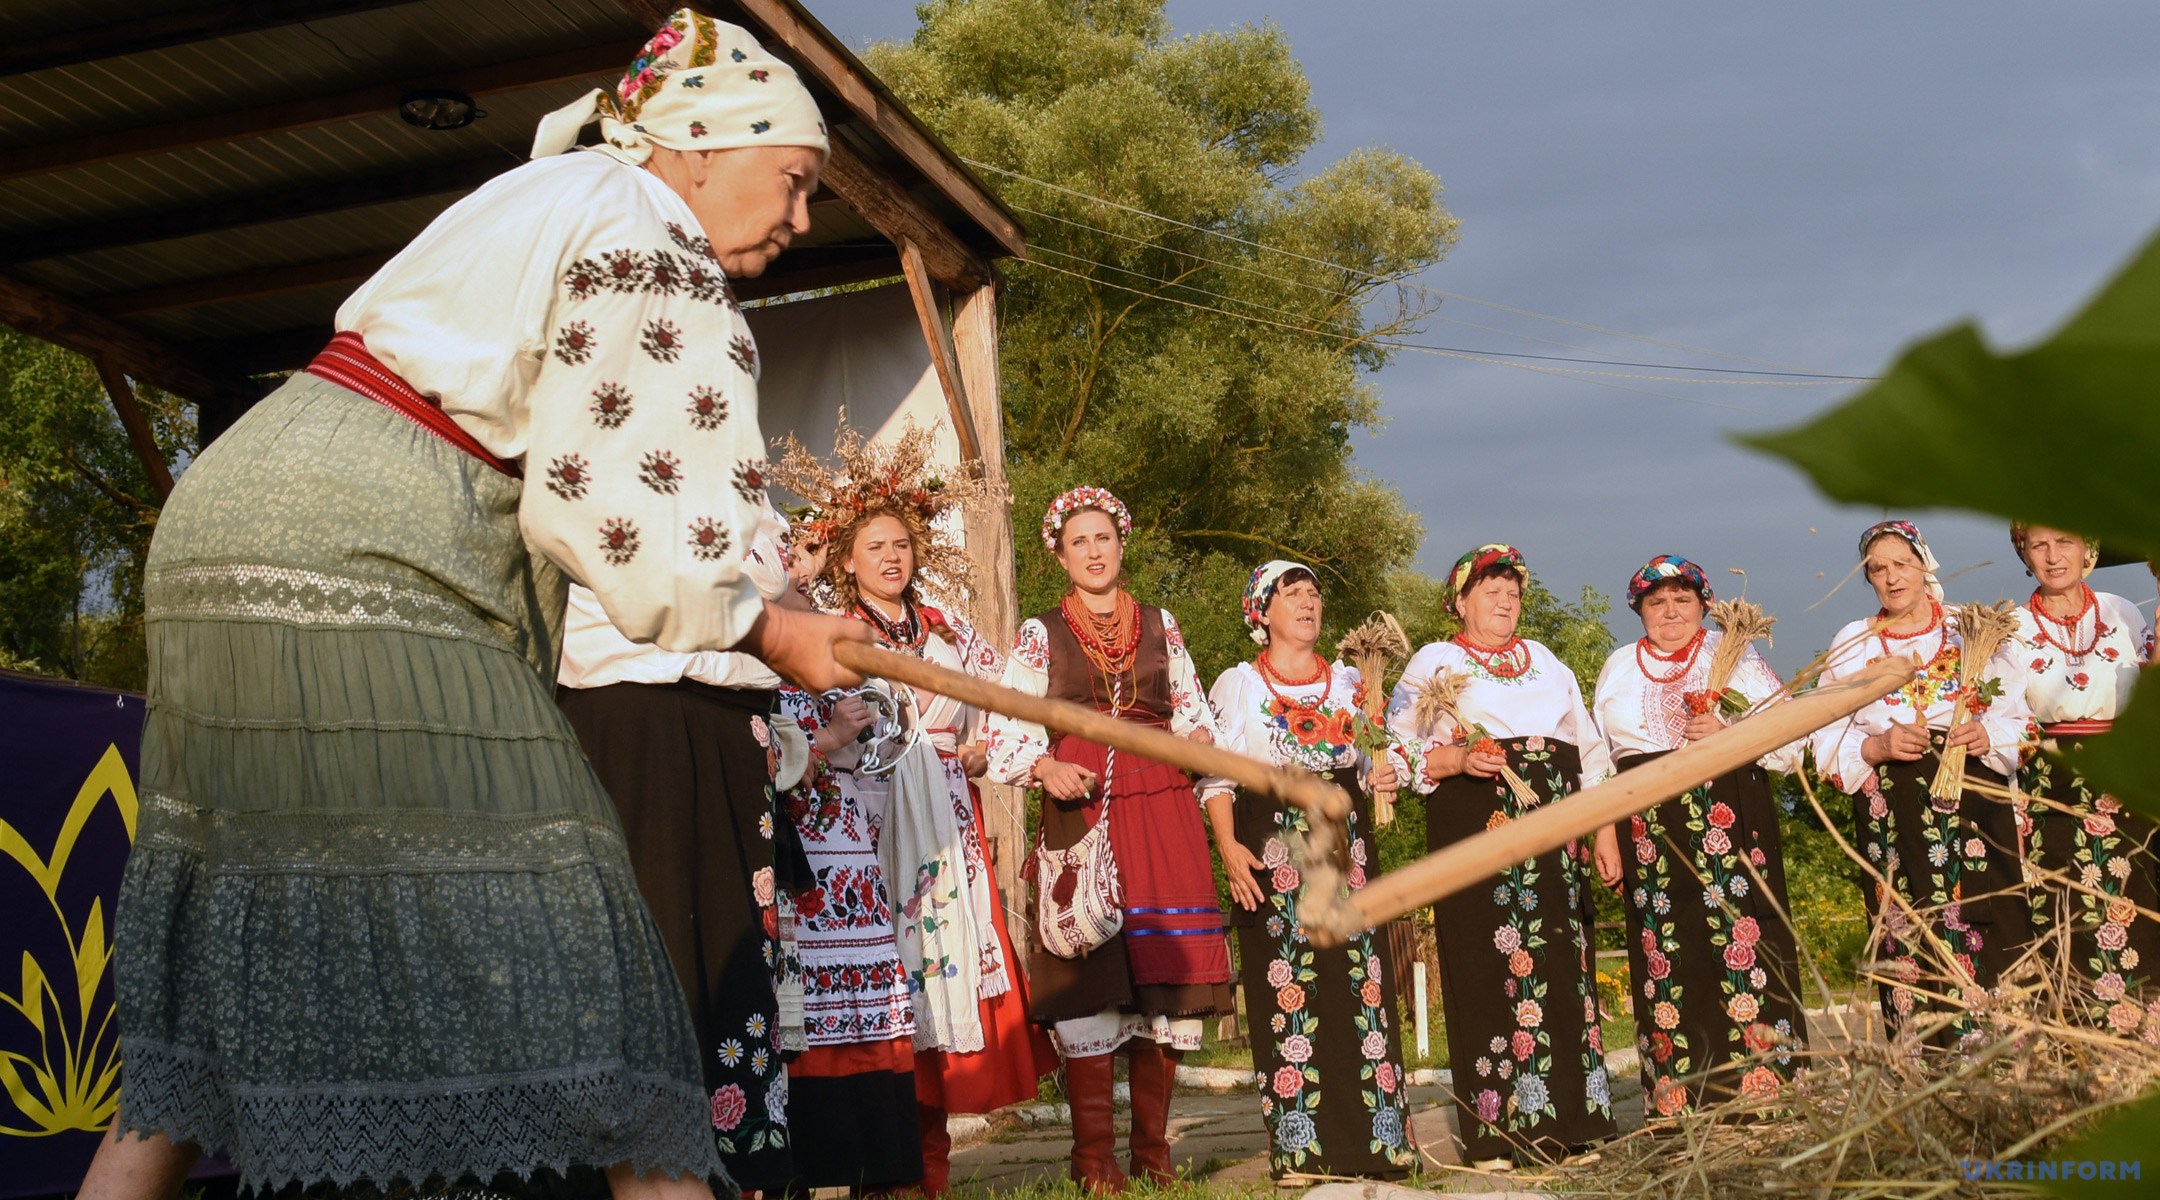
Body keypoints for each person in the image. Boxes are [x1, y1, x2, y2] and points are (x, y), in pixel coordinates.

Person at [85, 11, 871, 1200]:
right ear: (702, 144)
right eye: (798, 182)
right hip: (367, 554)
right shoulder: (649, 233)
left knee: (246, 925)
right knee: (580, 943)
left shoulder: (549, 191)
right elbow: (617, 513)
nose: (802, 218)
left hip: (231, 516)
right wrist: (771, 624)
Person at [766, 424, 1056, 1196]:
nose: (893, 558)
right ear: (848, 561)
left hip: (944, 830)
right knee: (889, 989)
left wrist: (982, 752)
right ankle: (890, 1165)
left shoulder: (951, 630)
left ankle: (926, 1173)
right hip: (864, 826)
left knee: (938, 985)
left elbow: (1010, 701)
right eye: (876, 547)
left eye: (902, 544)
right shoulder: (832, 638)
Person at [984, 486, 1233, 1194]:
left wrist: (1197, 740)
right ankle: (1094, 1158)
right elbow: (1006, 727)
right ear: (1060, 555)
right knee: (1093, 975)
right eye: (1079, 542)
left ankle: (1152, 1152)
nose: (1093, 552)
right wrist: (1042, 764)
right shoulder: (1040, 634)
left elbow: (1193, 710)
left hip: (1162, 807)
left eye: (1104, 539)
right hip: (1085, 806)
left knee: (1165, 978)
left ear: (1122, 544)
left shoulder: (1161, 624)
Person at [1385, 543, 1619, 1169]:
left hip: (1556, 829)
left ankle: (1575, 1124)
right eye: (1490, 589)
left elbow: (1590, 754)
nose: (1505, 599)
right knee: (1484, 963)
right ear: (1460, 601)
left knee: (1563, 964)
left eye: (1513, 590)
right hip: (1475, 823)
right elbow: (1397, 752)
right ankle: (1498, 1135)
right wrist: (1459, 759)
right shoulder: (1435, 663)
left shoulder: (1546, 661)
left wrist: (1603, 831)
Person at [1200, 561, 1417, 1181]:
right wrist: (1228, 847)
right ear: (1261, 612)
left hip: (1346, 854)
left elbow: (1376, 759)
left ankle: (1381, 1145)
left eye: (1314, 594)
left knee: (1362, 992)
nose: (1307, 603)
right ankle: (1301, 1151)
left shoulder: (1353, 680)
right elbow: (1215, 773)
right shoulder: (1238, 684)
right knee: (1288, 994)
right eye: (1291, 594)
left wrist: (1383, 773)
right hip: (1271, 851)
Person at [1590, 555, 1806, 1117]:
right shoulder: (1618, 666)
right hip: (1649, 826)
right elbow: (1602, 764)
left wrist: (1730, 730)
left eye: (1683, 600)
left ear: (1705, 606)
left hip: (1731, 816)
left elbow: (1791, 741)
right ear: (1639, 610)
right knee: (1667, 954)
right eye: (1656, 602)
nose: (1670, 612)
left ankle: (1767, 1098)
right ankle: (1681, 1105)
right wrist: (1604, 835)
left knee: (1747, 947)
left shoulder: (1734, 656)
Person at [1811, 520, 2034, 1048]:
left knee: (1987, 914)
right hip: (1893, 807)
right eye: (1877, 569)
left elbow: (2021, 717)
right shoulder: (1853, 643)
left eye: (1900, 564)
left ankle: (2003, 1056)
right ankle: (1925, 1065)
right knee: (1907, 930)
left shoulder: (1971, 627)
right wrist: (1876, 747)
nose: (1891, 578)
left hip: (1973, 794)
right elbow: (1821, 730)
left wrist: (1986, 734)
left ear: (1924, 563)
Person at [2006, 523, 2159, 1030]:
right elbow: (2002, 713)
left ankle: (2140, 1048)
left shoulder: (2123, 612)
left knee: (2135, 906)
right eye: (2039, 546)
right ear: (2024, 554)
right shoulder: (2011, 626)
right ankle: (2075, 1048)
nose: (2053, 557)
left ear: (2088, 549)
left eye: (2065, 542)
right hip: (2051, 782)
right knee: (2063, 910)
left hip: (2124, 784)